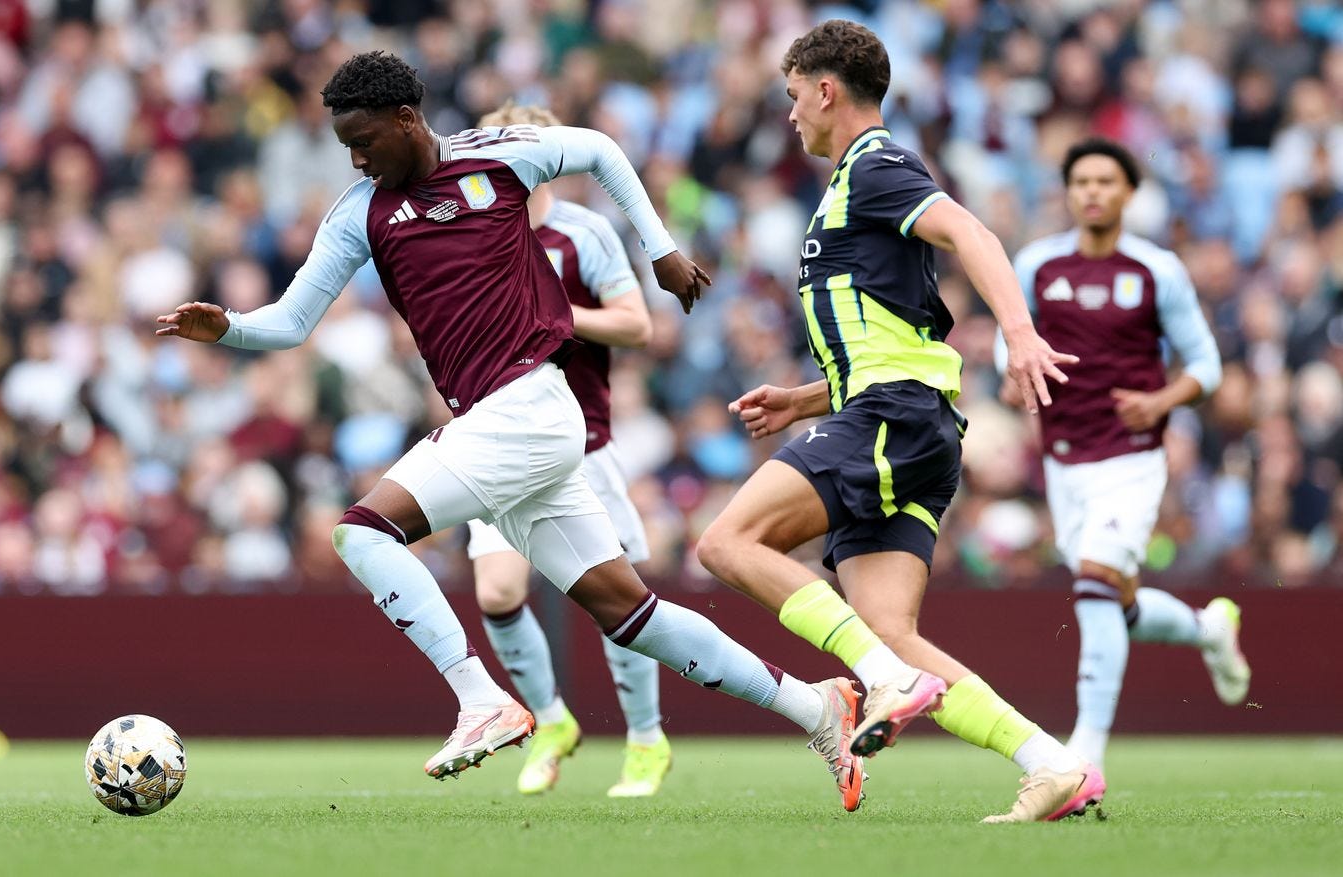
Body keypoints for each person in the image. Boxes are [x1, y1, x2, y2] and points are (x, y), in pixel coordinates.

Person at [155, 51, 865, 810]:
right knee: (628, 613)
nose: (357, 158)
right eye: (344, 146)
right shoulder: (361, 212)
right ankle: (816, 708)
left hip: (527, 407)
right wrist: (228, 327)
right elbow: (290, 322)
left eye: (364, 140)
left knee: (361, 534)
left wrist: (659, 248)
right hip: (516, 425)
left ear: (407, 119)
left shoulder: (495, 161)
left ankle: (478, 697)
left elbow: (597, 149)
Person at [695, 20, 1102, 823]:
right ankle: (1050, 762)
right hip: (901, 413)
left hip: (896, 414)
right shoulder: (854, 182)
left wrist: (1020, 333)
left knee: (727, 543)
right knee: (889, 632)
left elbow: (971, 232)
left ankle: (882, 681)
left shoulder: (876, 166)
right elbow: (902, 333)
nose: (789, 118)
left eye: (791, 100)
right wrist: (806, 398)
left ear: (825, 89)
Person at [1002, 137, 1251, 774]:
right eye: (1081, 180)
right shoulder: (1036, 265)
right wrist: (1011, 370)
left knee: (1092, 584)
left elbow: (1207, 367)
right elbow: (1014, 345)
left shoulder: (1155, 269)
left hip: (1132, 455)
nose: (1092, 191)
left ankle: (1084, 755)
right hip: (1063, 458)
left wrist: (1161, 400)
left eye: (1106, 181)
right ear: (1067, 191)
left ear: (1129, 194)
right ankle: (1206, 630)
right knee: (1116, 600)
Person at [465, 102, 668, 798]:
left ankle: (645, 737)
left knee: (617, 599)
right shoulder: (473, 232)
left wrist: (554, 314)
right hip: (496, 439)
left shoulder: (584, 232)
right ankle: (551, 719)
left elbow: (638, 325)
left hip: (581, 440)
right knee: (496, 590)